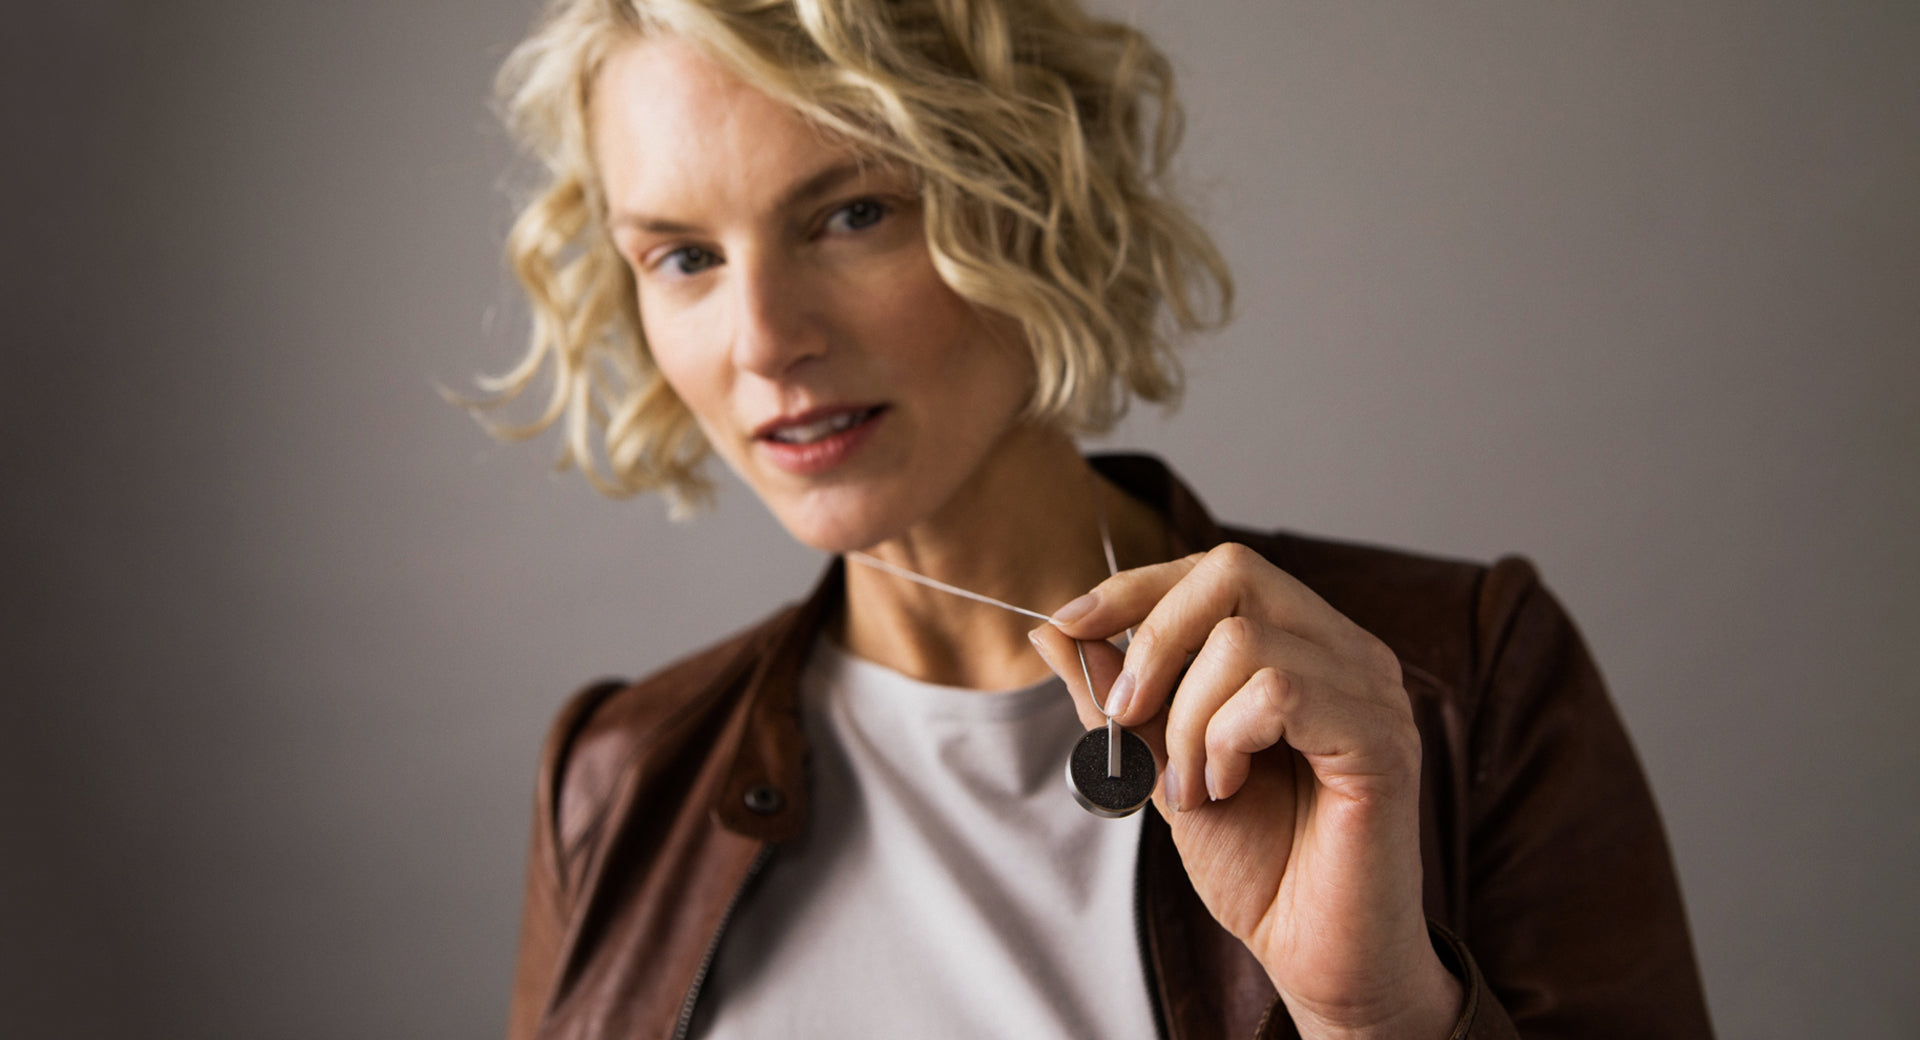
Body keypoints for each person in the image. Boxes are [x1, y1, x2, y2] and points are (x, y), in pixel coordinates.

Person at [478, 1, 1714, 1037]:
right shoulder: (617, 778)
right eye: (682, 257)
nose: (762, 342)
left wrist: (1377, 1014)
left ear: (1031, 200)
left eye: (851, 213)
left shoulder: (1455, 680)